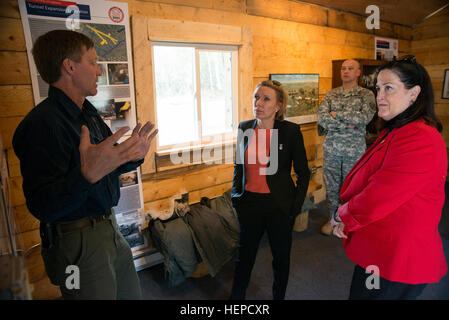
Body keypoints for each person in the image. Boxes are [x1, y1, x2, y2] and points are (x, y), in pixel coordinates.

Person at [12, 30, 158, 299]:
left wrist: (132, 155)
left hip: (108, 229)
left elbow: (106, 164)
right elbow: (42, 205)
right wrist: (84, 177)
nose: (99, 72)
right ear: (69, 66)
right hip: (75, 243)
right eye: (92, 62)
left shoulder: (87, 112)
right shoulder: (41, 125)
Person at [332, 55, 447, 300]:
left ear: (414, 93)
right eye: (378, 88)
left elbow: (379, 194)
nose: (380, 96)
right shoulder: (399, 130)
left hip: (395, 259)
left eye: (389, 88)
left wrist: (342, 215)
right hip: (382, 250)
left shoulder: (419, 137)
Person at [230, 80, 310, 300]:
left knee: (281, 259)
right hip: (249, 204)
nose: (259, 103)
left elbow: (304, 173)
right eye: (256, 97)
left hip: (279, 206)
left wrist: (294, 207)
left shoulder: (290, 131)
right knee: (244, 258)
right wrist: (236, 196)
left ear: (278, 105)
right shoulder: (244, 127)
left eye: (266, 99)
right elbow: (238, 166)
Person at [318, 59, 376, 235]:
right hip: (332, 150)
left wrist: (337, 115)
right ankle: (333, 219)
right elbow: (322, 118)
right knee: (332, 187)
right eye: (343, 68)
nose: (346, 71)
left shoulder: (366, 95)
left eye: (351, 68)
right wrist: (348, 124)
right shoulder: (331, 94)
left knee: (352, 188)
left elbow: (364, 118)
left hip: (354, 152)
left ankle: (348, 222)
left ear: (358, 72)